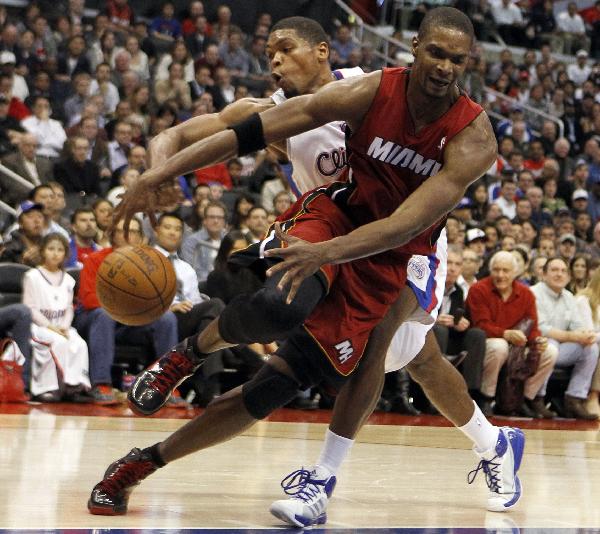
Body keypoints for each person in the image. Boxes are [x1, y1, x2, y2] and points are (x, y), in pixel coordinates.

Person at [89, 12, 523, 525]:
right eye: (268, 51)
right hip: (328, 222)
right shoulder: (292, 108)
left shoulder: (373, 92)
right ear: (414, 49)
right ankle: (190, 357)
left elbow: (405, 225)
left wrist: (329, 253)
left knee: (388, 352)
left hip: (404, 247)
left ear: (322, 51)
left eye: (286, 48)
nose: (274, 59)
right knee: (289, 315)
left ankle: (483, 444)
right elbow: (181, 135)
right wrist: (153, 174)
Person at [466, 251, 558, 418]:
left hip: (518, 346)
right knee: (499, 346)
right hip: (488, 343)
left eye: (506, 270)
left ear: (515, 273)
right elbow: (480, 325)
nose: (501, 275)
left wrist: (538, 340)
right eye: (496, 270)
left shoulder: (526, 294)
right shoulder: (478, 289)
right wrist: (505, 334)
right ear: (490, 270)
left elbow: (533, 326)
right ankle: (486, 397)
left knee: (550, 351)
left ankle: (524, 399)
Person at [23, 233, 91, 402]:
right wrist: (49, 326)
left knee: (79, 343)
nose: (55, 253)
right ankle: (47, 388)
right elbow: (29, 308)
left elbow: (69, 308)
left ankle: (74, 386)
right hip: (38, 326)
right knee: (57, 342)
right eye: (51, 249)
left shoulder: (68, 280)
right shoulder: (32, 276)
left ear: (65, 254)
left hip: (61, 327)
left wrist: (65, 327)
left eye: (60, 250)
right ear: (42, 251)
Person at [530, 257, 600, 420]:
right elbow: (542, 328)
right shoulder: (534, 293)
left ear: (568, 276)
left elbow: (577, 325)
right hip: (538, 344)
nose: (559, 274)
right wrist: (572, 336)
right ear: (544, 274)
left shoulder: (568, 296)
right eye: (554, 270)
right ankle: (538, 398)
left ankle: (575, 398)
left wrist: (584, 335)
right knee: (550, 346)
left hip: (562, 345)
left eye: (563, 271)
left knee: (591, 347)